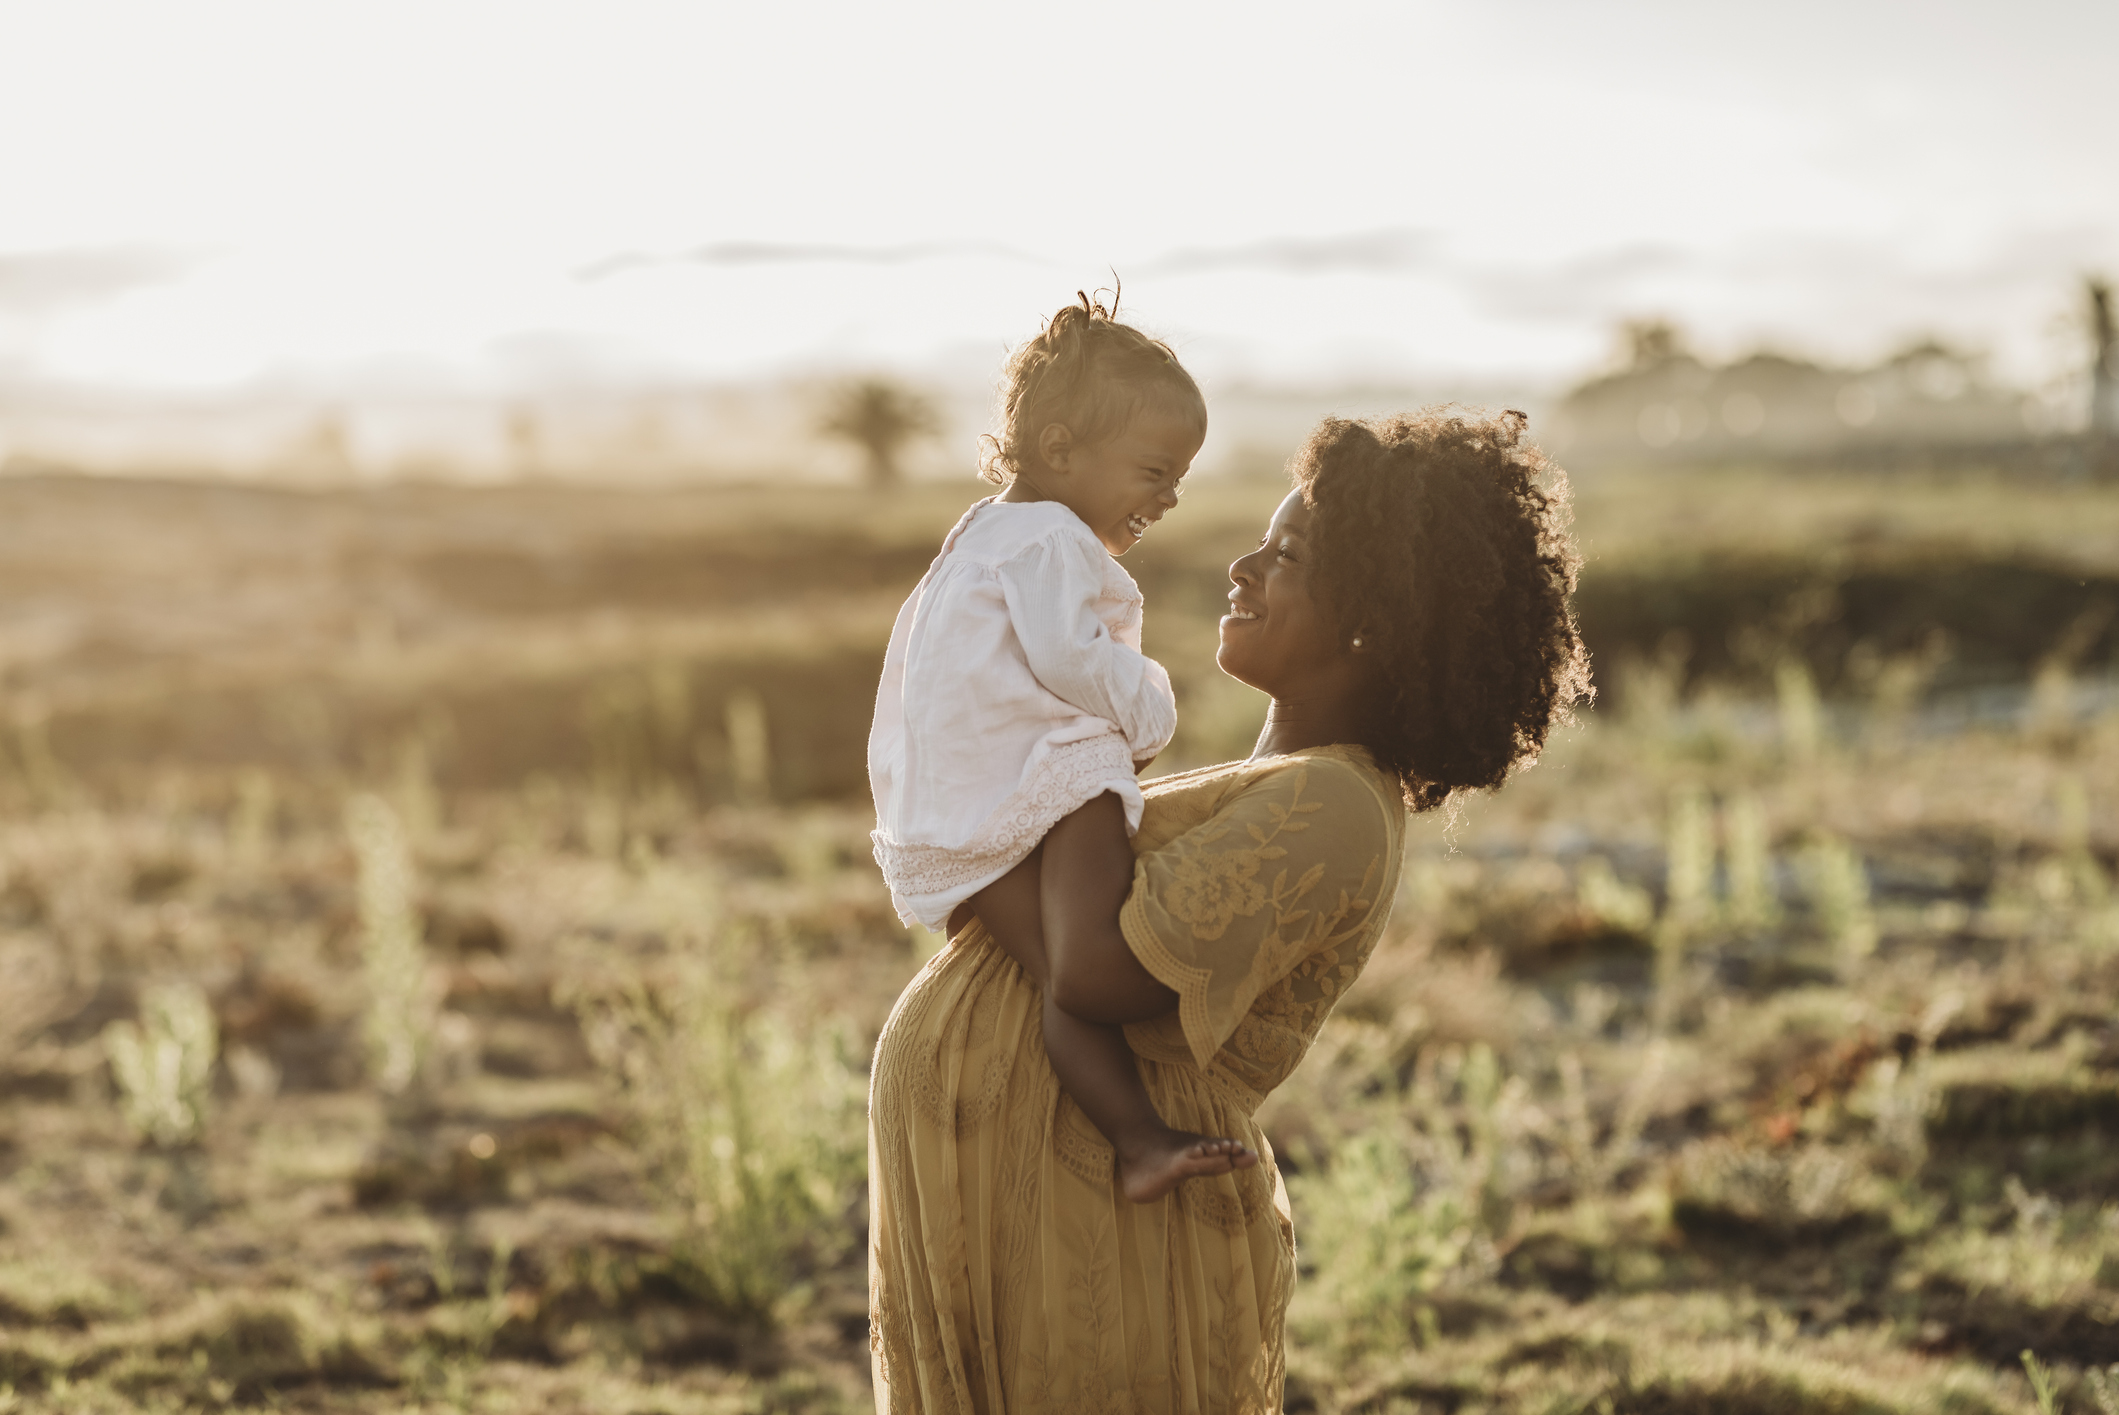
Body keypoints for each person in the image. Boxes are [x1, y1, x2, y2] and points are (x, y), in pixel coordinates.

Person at [868, 407, 1592, 1413]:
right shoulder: (1273, 782)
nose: (1242, 566)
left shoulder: (1332, 804)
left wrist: (1050, 793)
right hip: (1022, 1189)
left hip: (1093, 1217)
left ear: (1369, 618)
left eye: (1285, 554)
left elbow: (1094, 973)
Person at [868, 292, 1258, 1207]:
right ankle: (1166, 1070)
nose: (1167, 498)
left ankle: (1135, 1143)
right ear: (1057, 450)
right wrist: (1150, 709)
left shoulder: (977, 534)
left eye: (1180, 479)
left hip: (953, 814)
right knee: (1090, 965)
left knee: (1055, 979)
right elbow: (1067, 657)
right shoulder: (1048, 537)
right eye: (1154, 471)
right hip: (1043, 784)